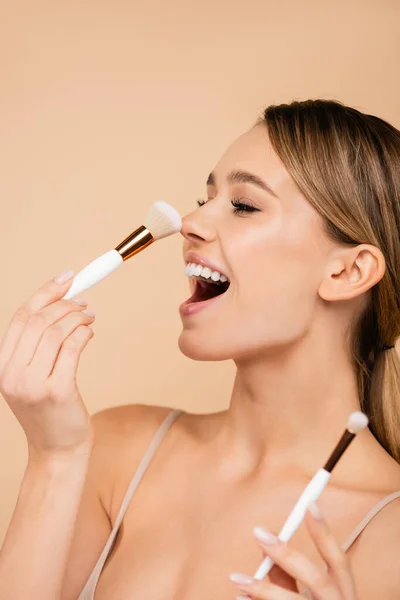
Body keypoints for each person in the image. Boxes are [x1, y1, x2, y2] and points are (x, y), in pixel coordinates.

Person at [0, 99, 399, 600]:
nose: (190, 221)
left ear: (347, 272)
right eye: (205, 198)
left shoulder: (390, 539)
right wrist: (53, 457)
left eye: (244, 206)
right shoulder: (116, 450)